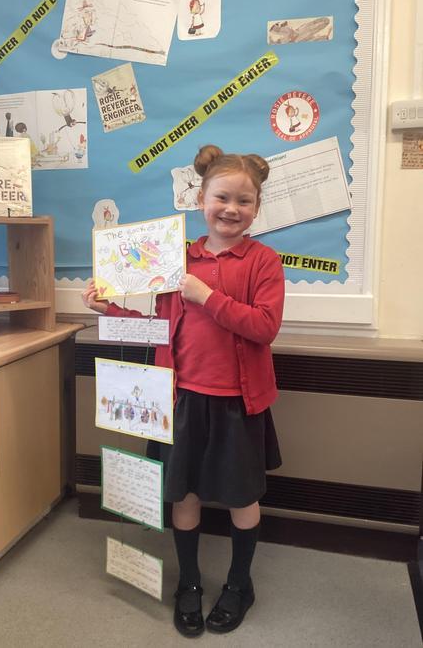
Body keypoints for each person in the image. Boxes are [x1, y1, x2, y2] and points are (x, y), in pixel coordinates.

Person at [82, 144, 285, 637]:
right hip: (179, 401)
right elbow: (158, 329)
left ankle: (239, 584)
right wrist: (109, 309)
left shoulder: (263, 261)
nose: (231, 209)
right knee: (184, 494)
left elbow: (265, 327)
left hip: (237, 404)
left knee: (242, 497)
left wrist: (208, 296)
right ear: (200, 200)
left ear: (257, 207)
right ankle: (189, 583)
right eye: (222, 197)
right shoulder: (174, 258)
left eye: (244, 200)